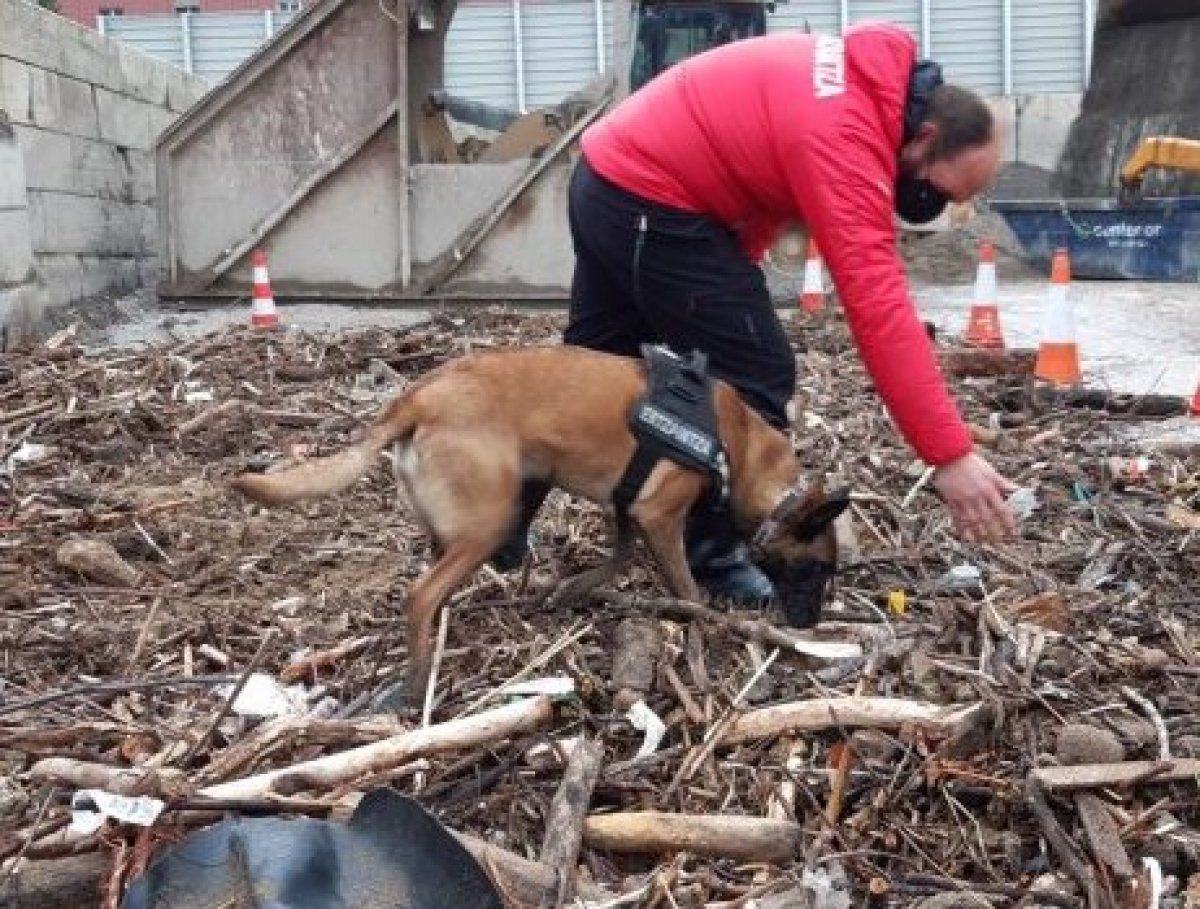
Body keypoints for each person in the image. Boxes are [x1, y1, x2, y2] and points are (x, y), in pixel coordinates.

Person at [495, 22, 1017, 604]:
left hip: (610, 174)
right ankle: (715, 559)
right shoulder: (845, 133)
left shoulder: (857, 89)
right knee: (755, 377)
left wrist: (722, 284)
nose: (935, 207)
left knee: (588, 365)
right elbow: (878, 305)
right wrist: (948, 455)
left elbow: (755, 173)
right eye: (940, 191)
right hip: (650, 195)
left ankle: (495, 526)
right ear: (924, 139)